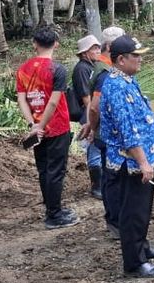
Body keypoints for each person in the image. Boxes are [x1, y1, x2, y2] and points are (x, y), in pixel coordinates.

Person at [99, 35, 154, 279]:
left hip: (142, 159)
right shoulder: (117, 86)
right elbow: (127, 129)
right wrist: (142, 162)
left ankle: (143, 247)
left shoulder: (126, 80)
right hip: (131, 163)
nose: (140, 60)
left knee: (142, 209)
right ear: (120, 60)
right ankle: (134, 262)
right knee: (133, 212)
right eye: (135, 56)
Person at [15, 27, 79, 229]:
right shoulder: (56, 70)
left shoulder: (23, 69)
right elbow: (53, 103)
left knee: (44, 168)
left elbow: (22, 100)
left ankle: (52, 207)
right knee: (55, 171)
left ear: (34, 43)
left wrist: (34, 125)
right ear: (56, 44)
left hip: (37, 130)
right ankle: (54, 214)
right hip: (56, 126)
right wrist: (42, 125)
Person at [79, 26, 126, 237]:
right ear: (110, 48)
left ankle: (116, 220)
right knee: (113, 179)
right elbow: (96, 106)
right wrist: (92, 126)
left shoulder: (103, 69)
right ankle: (115, 222)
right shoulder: (104, 73)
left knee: (113, 178)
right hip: (108, 136)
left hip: (106, 134)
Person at [71, 34, 103, 198]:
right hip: (87, 111)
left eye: (98, 47)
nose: (98, 51)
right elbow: (86, 97)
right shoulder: (82, 69)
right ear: (84, 53)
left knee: (97, 145)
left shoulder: (93, 66)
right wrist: (91, 119)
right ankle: (96, 186)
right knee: (93, 146)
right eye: (94, 48)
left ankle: (101, 183)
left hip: (92, 110)